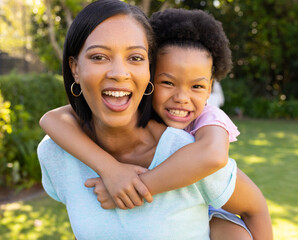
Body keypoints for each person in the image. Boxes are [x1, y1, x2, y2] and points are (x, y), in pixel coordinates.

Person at [38, 1, 272, 239]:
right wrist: (110, 169)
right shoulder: (56, 152)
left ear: (148, 69)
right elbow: (52, 118)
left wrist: (138, 187)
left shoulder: (191, 148)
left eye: (135, 57)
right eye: (99, 56)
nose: (119, 73)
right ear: (75, 68)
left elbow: (215, 158)